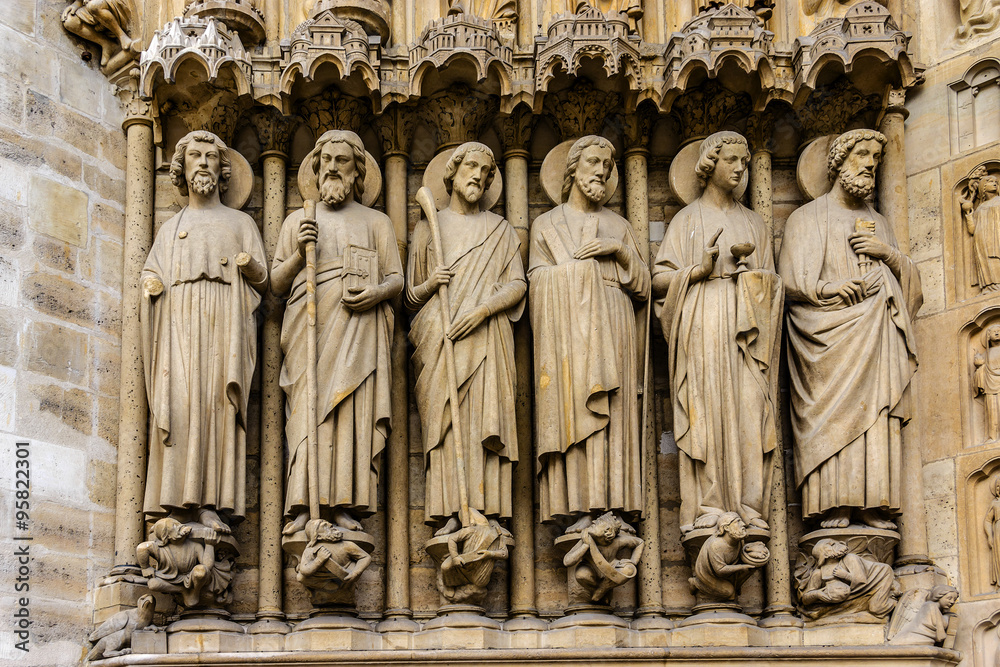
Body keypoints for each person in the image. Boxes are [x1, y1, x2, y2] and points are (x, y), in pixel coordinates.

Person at [778, 129, 922, 530]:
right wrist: (829, 288)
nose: (870, 164)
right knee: (835, 417)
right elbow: (788, 281)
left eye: (876, 158)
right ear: (838, 162)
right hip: (826, 336)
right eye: (861, 155)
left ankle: (875, 503)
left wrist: (888, 256)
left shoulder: (877, 222)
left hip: (875, 332)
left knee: (876, 416)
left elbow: (911, 287)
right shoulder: (807, 218)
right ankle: (834, 502)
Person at [272, 130, 403, 534]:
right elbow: (276, 285)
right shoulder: (299, 220)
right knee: (309, 413)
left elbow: (396, 279)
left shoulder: (376, 222)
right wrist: (298, 253)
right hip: (309, 325)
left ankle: (347, 501)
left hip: (359, 328)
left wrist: (376, 293)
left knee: (350, 415)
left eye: (342, 160)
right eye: (325, 159)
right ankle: (302, 504)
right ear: (315, 166)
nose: (332, 167)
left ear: (357, 171)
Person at [653, 131, 782, 536]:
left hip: (748, 330)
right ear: (711, 164)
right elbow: (657, 278)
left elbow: (775, 284)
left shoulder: (754, 222)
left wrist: (755, 279)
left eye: (745, 162)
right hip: (704, 321)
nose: (740, 169)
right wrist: (698, 271)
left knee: (749, 409)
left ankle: (748, 504)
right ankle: (708, 506)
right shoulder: (686, 220)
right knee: (705, 412)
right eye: (732, 160)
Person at [141, 130, 267, 535]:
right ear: (182, 168)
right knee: (179, 407)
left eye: (211, 157)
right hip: (179, 326)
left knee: (217, 411)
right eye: (194, 155)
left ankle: (212, 503)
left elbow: (263, 278)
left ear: (222, 168)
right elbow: (151, 273)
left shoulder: (240, 222)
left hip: (224, 327)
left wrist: (248, 265)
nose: (203, 163)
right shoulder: (170, 227)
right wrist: (152, 286)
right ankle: (176, 502)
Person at [528, 135, 650, 533]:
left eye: (608, 166)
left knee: (614, 416)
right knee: (576, 410)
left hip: (614, 326)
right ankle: (578, 505)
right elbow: (535, 284)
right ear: (573, 169)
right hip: (568, 337)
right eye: (594, 162)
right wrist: (577, 275)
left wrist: (619, 250)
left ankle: (613, 503)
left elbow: (645, 286)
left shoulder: (619, 225)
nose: (601, 171)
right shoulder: (546, 224)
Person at [406, 142, 525, 537]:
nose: (477, 175)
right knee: (448, 428)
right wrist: (429, 284)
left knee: (482, 422)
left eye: (485, 170)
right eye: (470, 166)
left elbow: (517, 284)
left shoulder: (500, 230)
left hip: (488, 339)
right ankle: (450, 509)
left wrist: (483, 310)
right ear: (452, 174)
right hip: (442, 341)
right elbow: (409, 297)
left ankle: (486, 509)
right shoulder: (429, 227)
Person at [963, 166, 1000, 292]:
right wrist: (968, 214)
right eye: (990, 182)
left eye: (996, 182)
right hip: (981, 240)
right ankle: (989, 287)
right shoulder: (980, 208)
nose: (994, 184)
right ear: (983, 186)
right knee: (986, 262)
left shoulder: (999, 201)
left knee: (996, 259)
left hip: (997, 236)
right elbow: (972, 230)